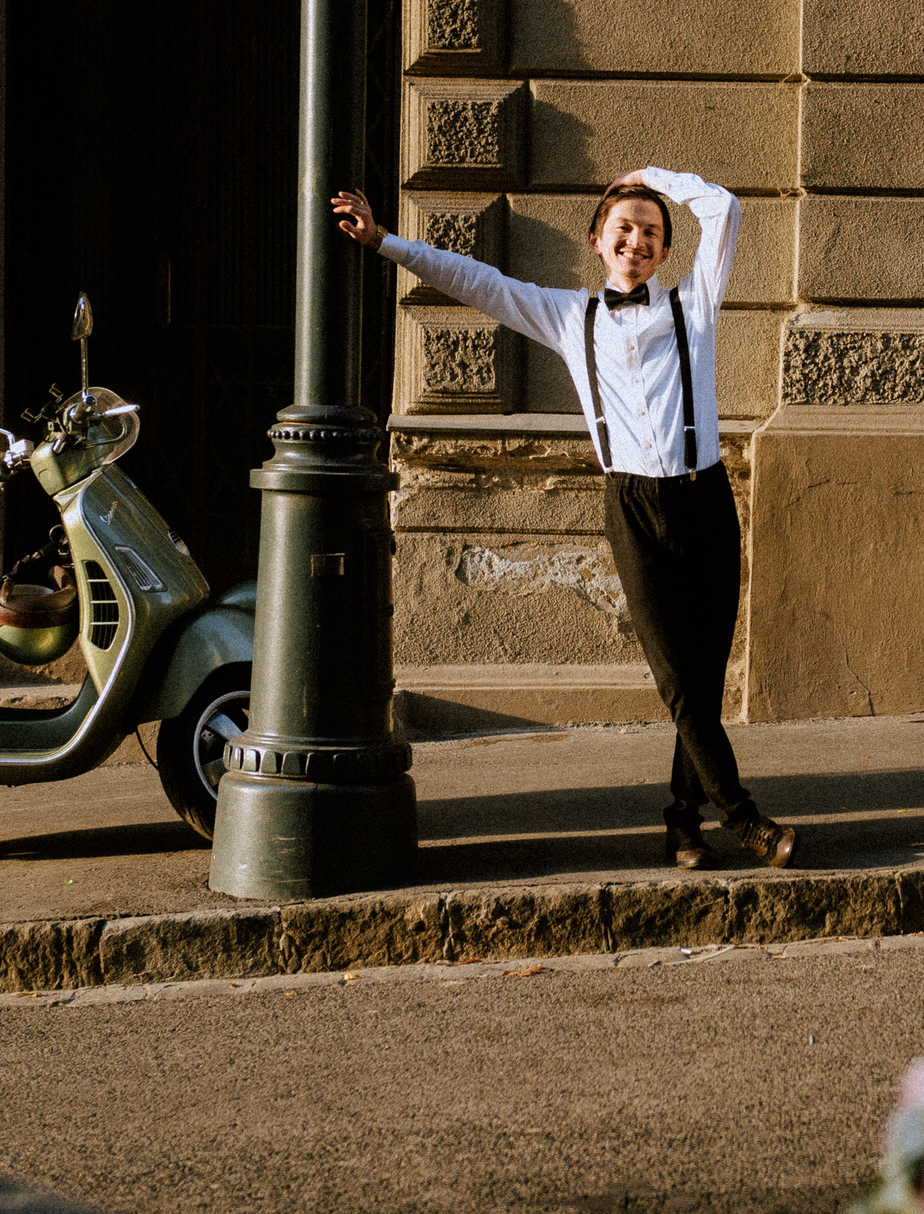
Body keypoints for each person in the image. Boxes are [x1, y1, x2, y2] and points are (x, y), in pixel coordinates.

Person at [332, 172, 799, 873]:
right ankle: (744, 818)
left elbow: (726, 206)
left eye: (651, 231)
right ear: (597, 242)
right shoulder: (567, 316)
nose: (637, 240)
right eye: (624, 228)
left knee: (700, 679)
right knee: (675, 676)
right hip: (632, 509)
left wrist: (651, 175)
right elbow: (478, 281)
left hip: (706, 504)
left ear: (665, 250)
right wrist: (385, 243)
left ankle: (681, 823)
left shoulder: (693, 303)